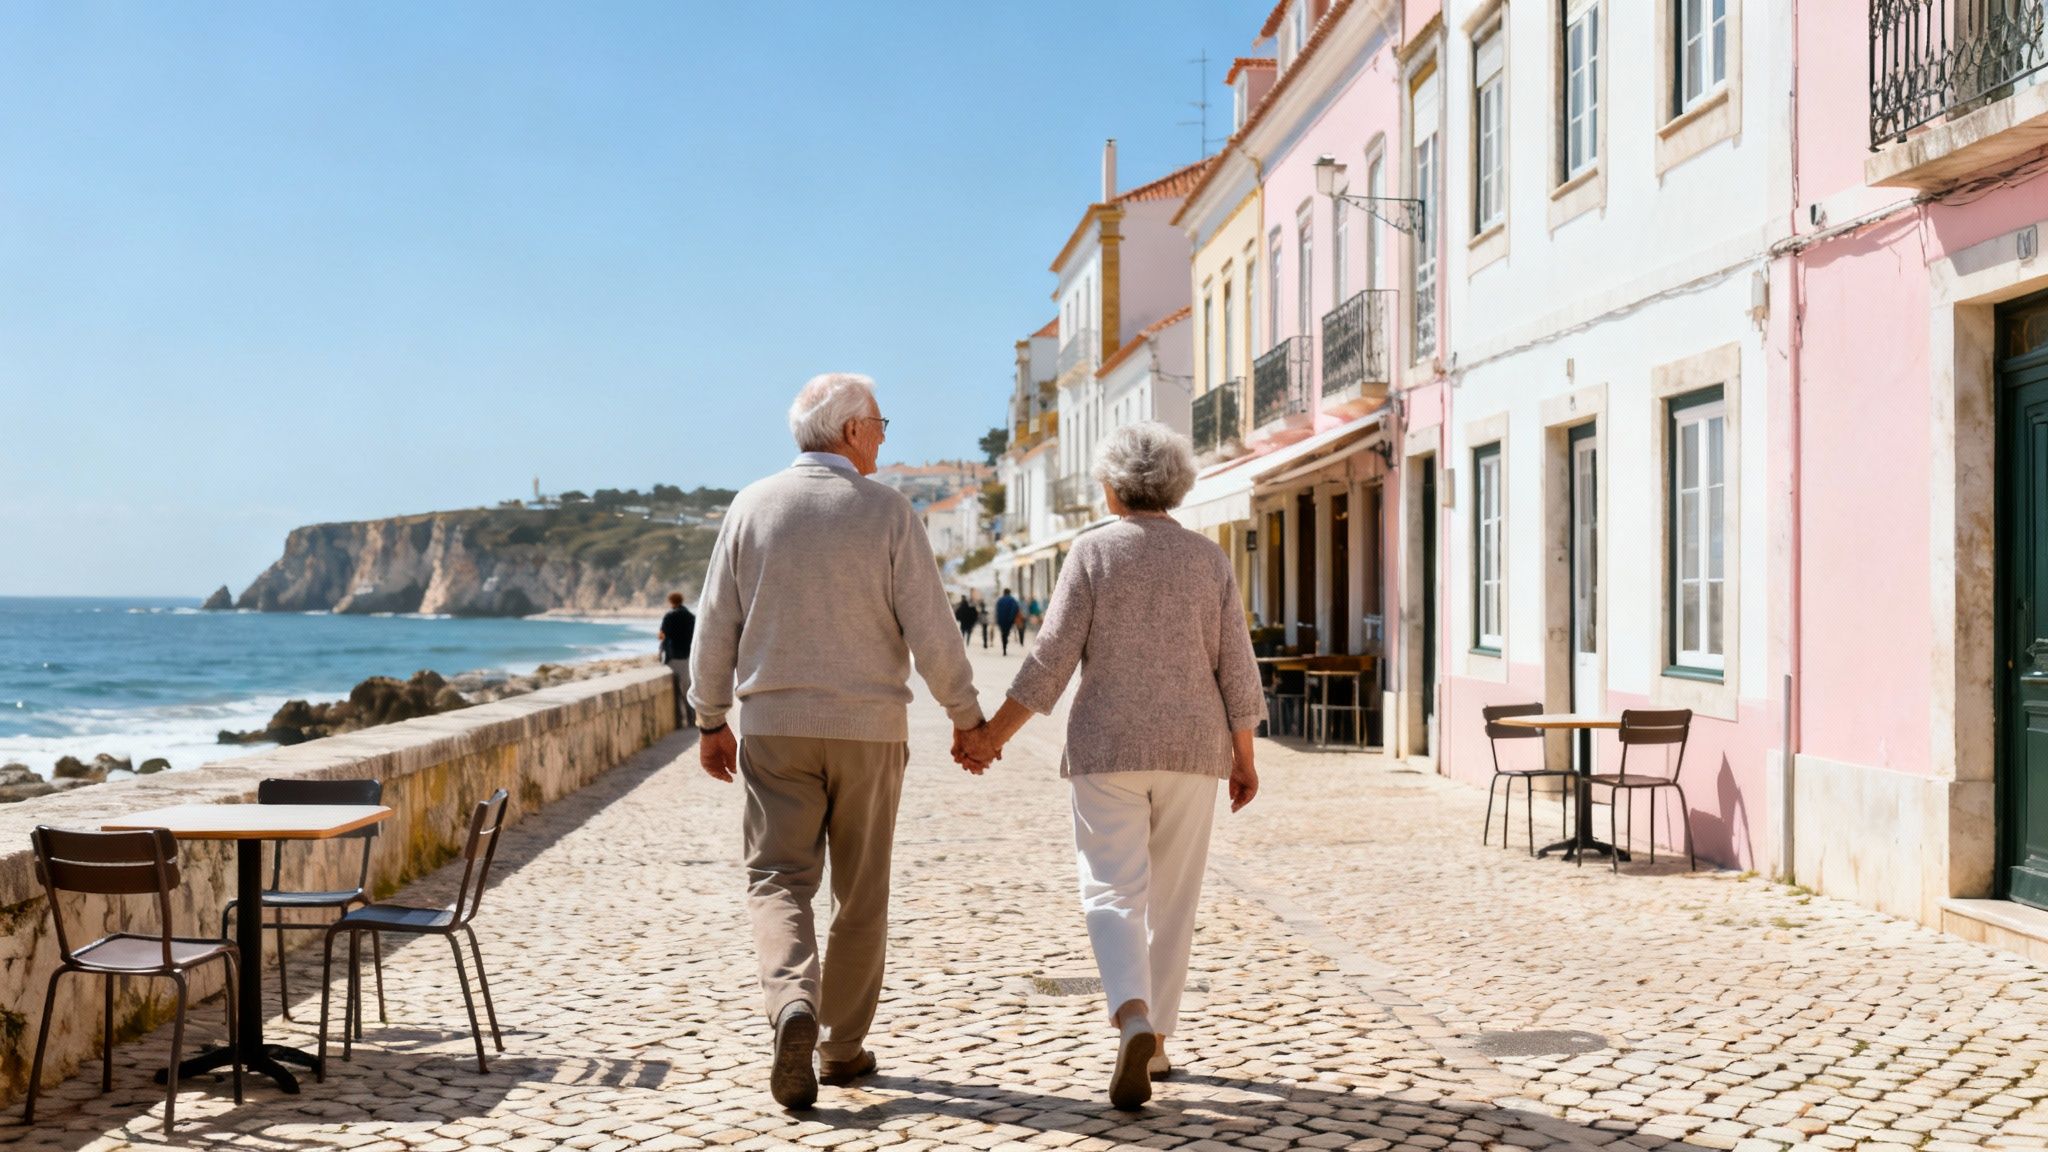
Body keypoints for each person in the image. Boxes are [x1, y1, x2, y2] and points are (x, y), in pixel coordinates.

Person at [691, 372, 990, 1111]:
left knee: (778, 877)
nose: (885, 436)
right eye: (881, 424)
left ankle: (792, 1002)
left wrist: (709, 717)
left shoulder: (752, 506)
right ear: (852, 430)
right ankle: (843, 1045)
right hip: (869, 729)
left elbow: (714, 625)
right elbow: (930, 625)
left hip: (775, 728)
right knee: (860, 892)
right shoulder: (888, 512)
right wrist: (966, 716)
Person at [960, 422, 1262, 1111]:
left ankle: (1131, 1013)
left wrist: (991, 737)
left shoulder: (1091, 553)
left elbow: (1051, 660)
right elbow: (1236, 667)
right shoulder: (1208, 560)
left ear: (1112, 486)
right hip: (1193, 749)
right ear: (1177, 486)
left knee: (1111, 889)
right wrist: (1243, 757)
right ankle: (1154, 1045)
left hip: (1108, 746)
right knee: (1174, 899)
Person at [658, 591, 696, 728]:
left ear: (671, 602)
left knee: (677, 692)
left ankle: (680, 722)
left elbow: (662, 635)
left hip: (673, 658)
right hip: (688, 657)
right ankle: (692, 720)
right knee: (687, 689)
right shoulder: (691, 617)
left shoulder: (669, 616)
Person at [994, 588, 1021, 655]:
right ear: (1009, 592)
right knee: (1006, 632)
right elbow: (1016, 609)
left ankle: (1004, 647)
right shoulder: (1012, 600)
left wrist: (997, 619)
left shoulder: (1000, 600)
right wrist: (1012, 618)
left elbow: (997, 610)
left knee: (1003, 633)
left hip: (1001, 620)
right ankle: (1005, 644)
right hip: (1009, 620)